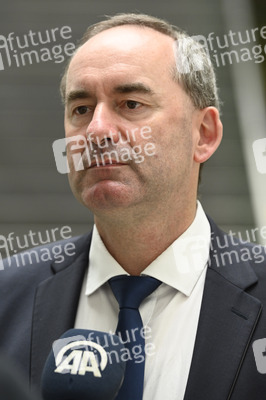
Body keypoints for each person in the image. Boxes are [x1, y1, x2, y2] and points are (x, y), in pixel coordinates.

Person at [0, 13, 266, 400]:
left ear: (204, 134)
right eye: (81, 109)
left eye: (131, 103)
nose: (96, 130)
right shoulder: (8, 298)